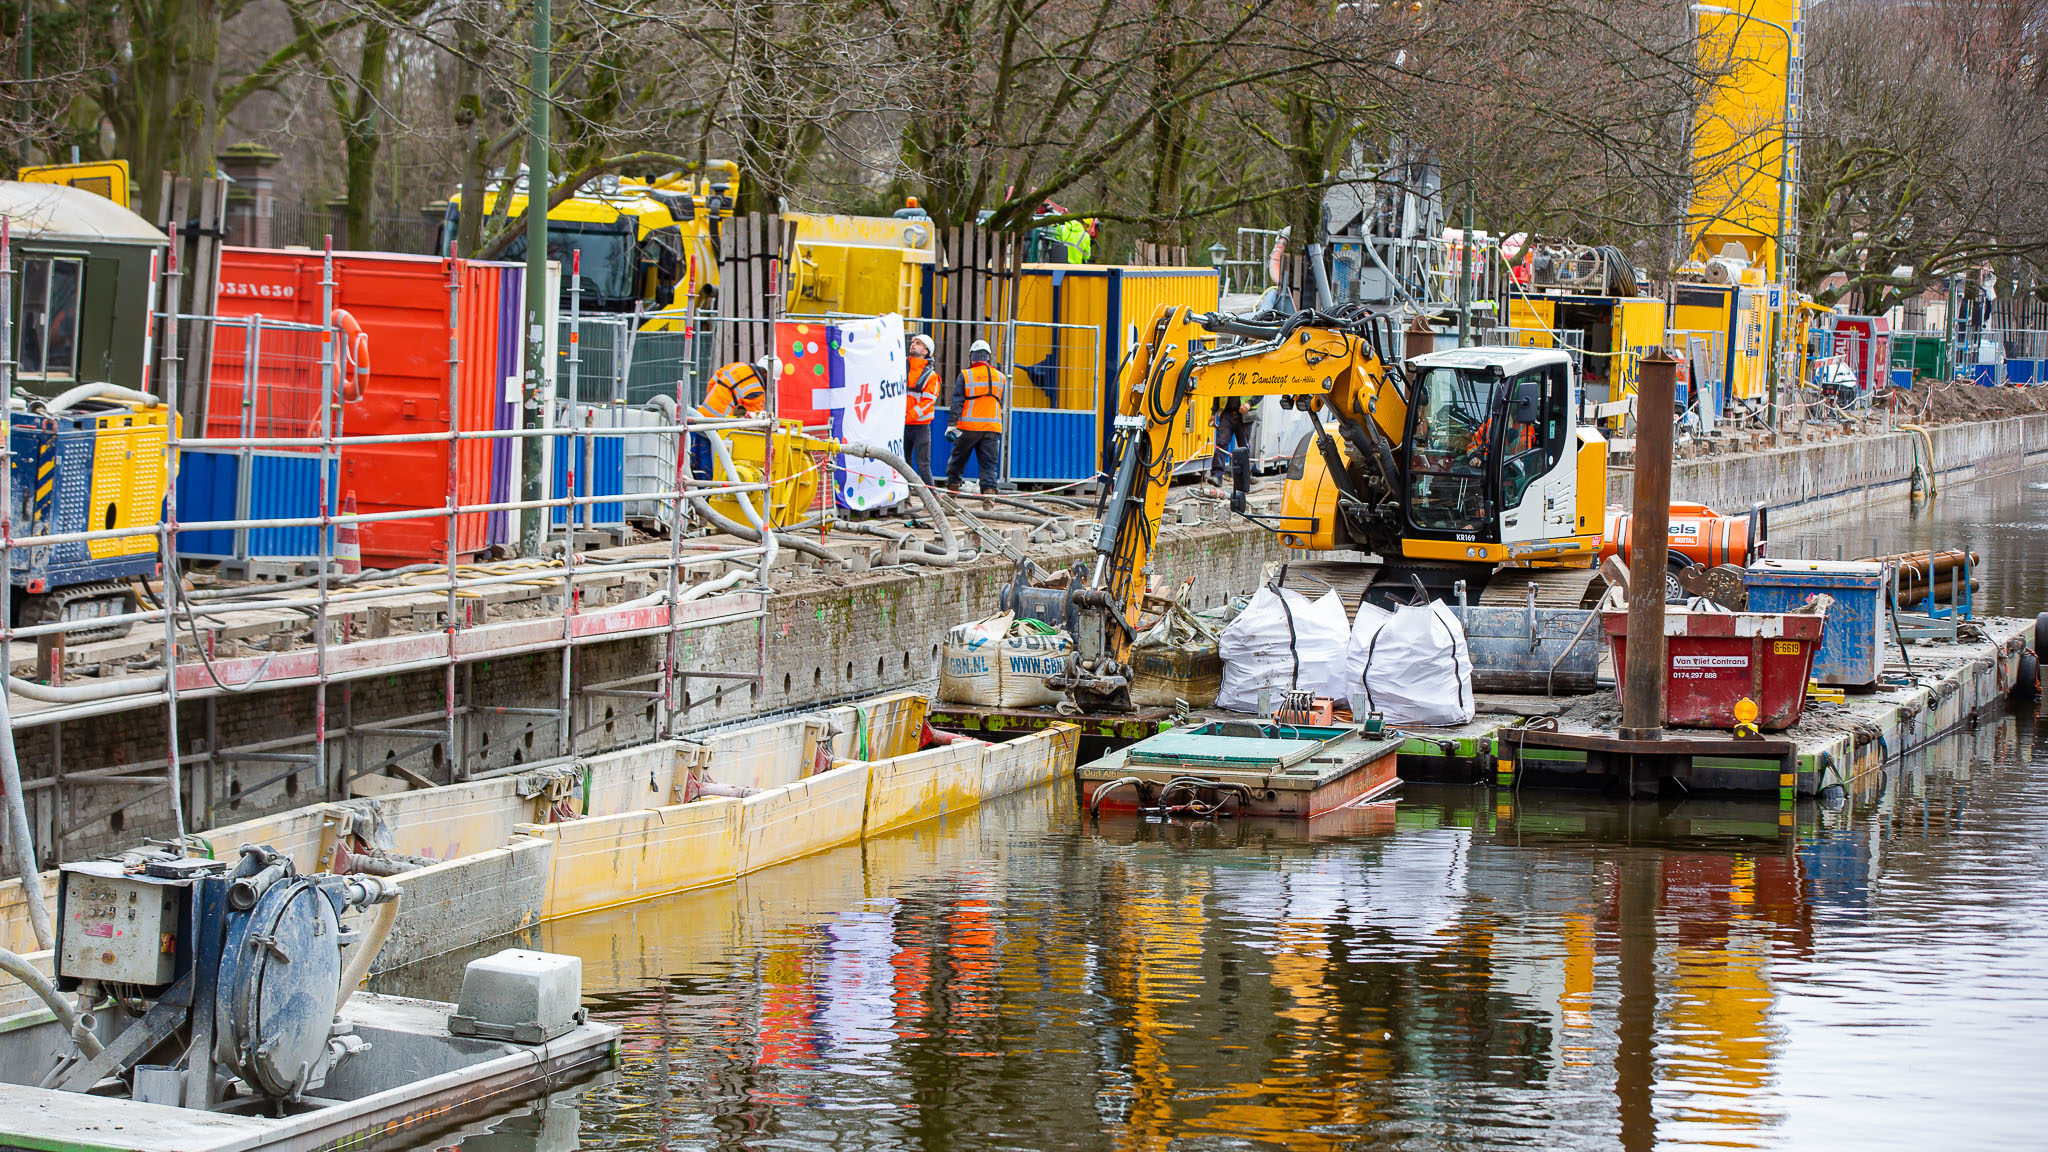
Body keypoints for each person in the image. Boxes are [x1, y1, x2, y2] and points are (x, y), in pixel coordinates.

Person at [689, 357, 772, 480]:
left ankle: (695, 493)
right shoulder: (757, 390)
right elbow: (753, 421)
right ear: (765, 373)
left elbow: (712, 382)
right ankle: (706, 495)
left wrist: (714, 403)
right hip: (718, 428)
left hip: (700, 417)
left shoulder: (737, 366)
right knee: (711, 472)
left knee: (693, 466)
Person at [944, 339, 1004, 492]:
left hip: (969, 427)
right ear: (988, 357)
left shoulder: (966, 375)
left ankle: (952, 491)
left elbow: (957, 401)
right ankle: (989, 498)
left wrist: (952, 425)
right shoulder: (1000, 377)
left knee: (958, 460)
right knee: (989, 464)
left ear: (971, 357)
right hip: (993, 427)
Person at [903, 334, 940, 484]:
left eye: (918, 343)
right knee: (902, 464)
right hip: (903, 425)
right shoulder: (901, 367)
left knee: (923, 466)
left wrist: (907, 417)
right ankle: (906, 499)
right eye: (913, 342)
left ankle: (932, 501)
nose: (913, 345)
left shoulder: (931, 377)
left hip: (920, 427)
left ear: (926, 351)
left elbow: (926, 403)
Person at [1208, 395, 1257, 497]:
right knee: (1221, 443)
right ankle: (1216, 476)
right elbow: (1219, 391)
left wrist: (1249, 403)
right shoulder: (1224, 378)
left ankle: (1243, 482)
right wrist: (1213, 413)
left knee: (1243, 448)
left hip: (1245, 414)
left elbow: (1261, 392)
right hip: (1227, 413)